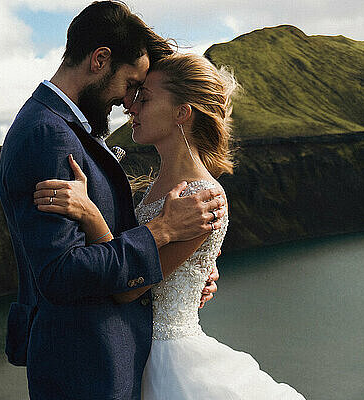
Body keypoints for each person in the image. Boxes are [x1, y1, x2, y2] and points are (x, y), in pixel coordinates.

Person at [34, 52, 306, 399]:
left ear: (182, 113)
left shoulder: (204, 197)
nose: (130, 107)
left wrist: (90, 214)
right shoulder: (151, 189)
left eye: (144, 98)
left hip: (170, 363)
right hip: (135, 354)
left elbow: (128, 290)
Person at [0, 2, 226, 399]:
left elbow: (110, 250)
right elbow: (60, 273)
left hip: (112, 361)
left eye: (142, 94)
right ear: (100, 60)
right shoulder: (48, 136)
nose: (127, 102)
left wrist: (182, 275)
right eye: (129, 84)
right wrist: (161, 233)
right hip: (85, 365)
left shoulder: (64, 129)